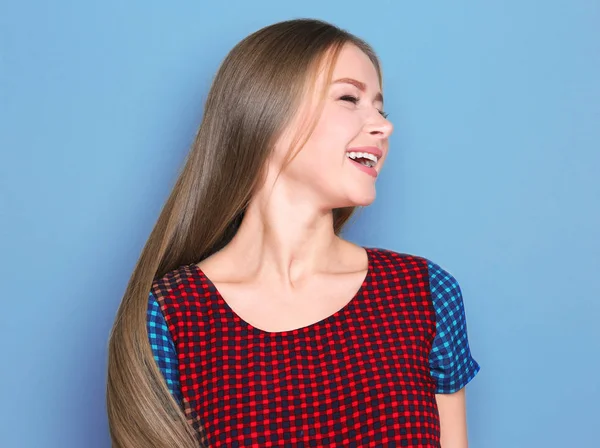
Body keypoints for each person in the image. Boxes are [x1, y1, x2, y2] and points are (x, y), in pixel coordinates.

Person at [106, 18, 480, 448]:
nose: (382, 125)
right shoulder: (172, 315)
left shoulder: (424, 293)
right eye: (349, 97)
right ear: (266, 113)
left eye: (380, 107)